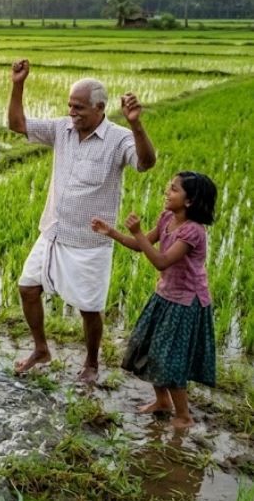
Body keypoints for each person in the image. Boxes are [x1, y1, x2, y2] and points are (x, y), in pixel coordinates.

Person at [8, 59, 156, 384]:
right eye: (70, 106)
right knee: (27, 288)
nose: (72, 112)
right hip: (53, 232)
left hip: (89, 243)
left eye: (79, 107)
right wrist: (18, 83)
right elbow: (18, 124)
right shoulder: (63, 129)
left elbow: (145, 163)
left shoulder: (118, 139)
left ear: (100, 108)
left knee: (89, 308)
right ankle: (41, 349)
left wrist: (136, 124)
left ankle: (91, 363)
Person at [91, 172, 217, 429]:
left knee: (170, 359)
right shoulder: (167, 218)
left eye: (173, 189)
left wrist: (136, 231)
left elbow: (161, 260)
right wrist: (111, 232)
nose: (166, 192)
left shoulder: (193, 232)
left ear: (189, 201)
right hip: (165, 295)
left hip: (186, 302)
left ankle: (183, 416)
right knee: (147, 347)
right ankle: (162, 402)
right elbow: (140, 246)